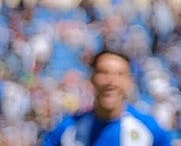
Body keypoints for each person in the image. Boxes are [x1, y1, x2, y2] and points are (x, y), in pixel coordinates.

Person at [41, 48, 173, 146]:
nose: (111, 82)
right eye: (104, 73)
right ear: (92, 78)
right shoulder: (67, 130)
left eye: (119, 74)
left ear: (130, 81)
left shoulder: (150, 131)